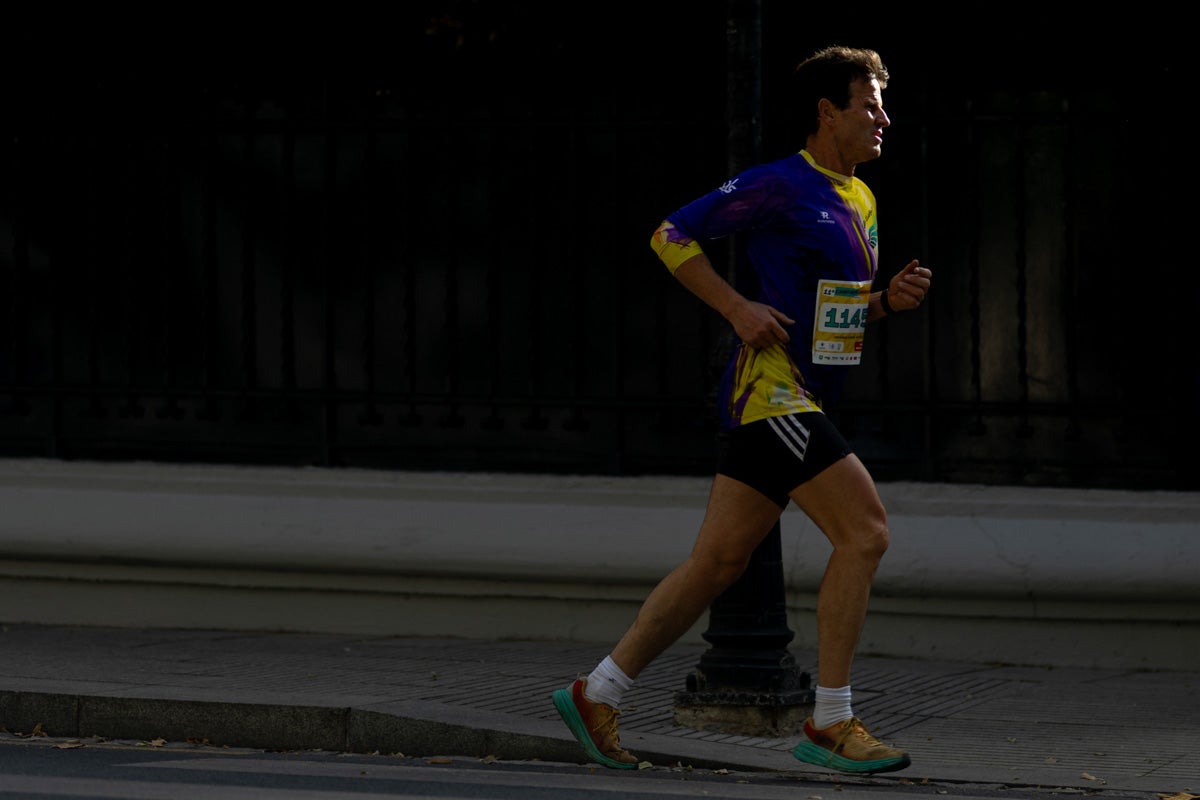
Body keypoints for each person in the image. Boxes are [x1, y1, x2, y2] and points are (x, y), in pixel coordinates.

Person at [551, 45, 932, 776]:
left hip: (801, 398)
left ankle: (595, 694)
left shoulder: (860, 198)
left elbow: (833, 318)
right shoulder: (777, 183)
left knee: (717, 563)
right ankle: (831, 723)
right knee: (866, 532)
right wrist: (736, 308)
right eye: (870, 105)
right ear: (828, 113)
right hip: (771, 395)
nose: (884, 119)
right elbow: (669, 234)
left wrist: (886, 303)